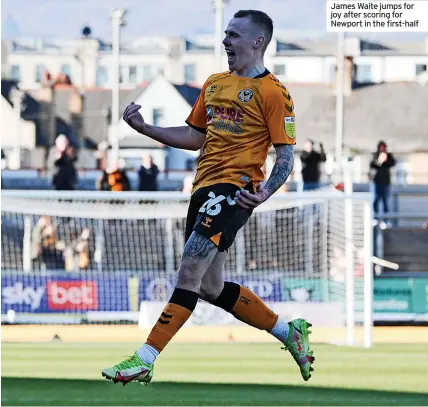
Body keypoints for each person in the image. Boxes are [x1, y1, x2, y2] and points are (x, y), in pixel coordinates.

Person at [102, 9, 314, 386]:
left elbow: (285, 156)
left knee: (188, 270)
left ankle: (145, 357)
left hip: (235, 191)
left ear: (257, 42)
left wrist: (264, 192)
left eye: (233, 34)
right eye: (225, 34)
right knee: (209, 287)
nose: (225, 41)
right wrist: (145, 128)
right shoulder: (214, 83)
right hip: (203, 190)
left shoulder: (273, 93)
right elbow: (195, 137)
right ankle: (288, 332)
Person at [370, 141, 396, 215]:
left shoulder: (389, 156)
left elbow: (392, 163)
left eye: (383, 147)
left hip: (386, 182)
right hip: (377, 182)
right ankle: (376, 218)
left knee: (385, 200)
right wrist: (379, 161)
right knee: (376, 200)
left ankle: (385, 220)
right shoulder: (375, 155)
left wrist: (386, 160)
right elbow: (372, 165)